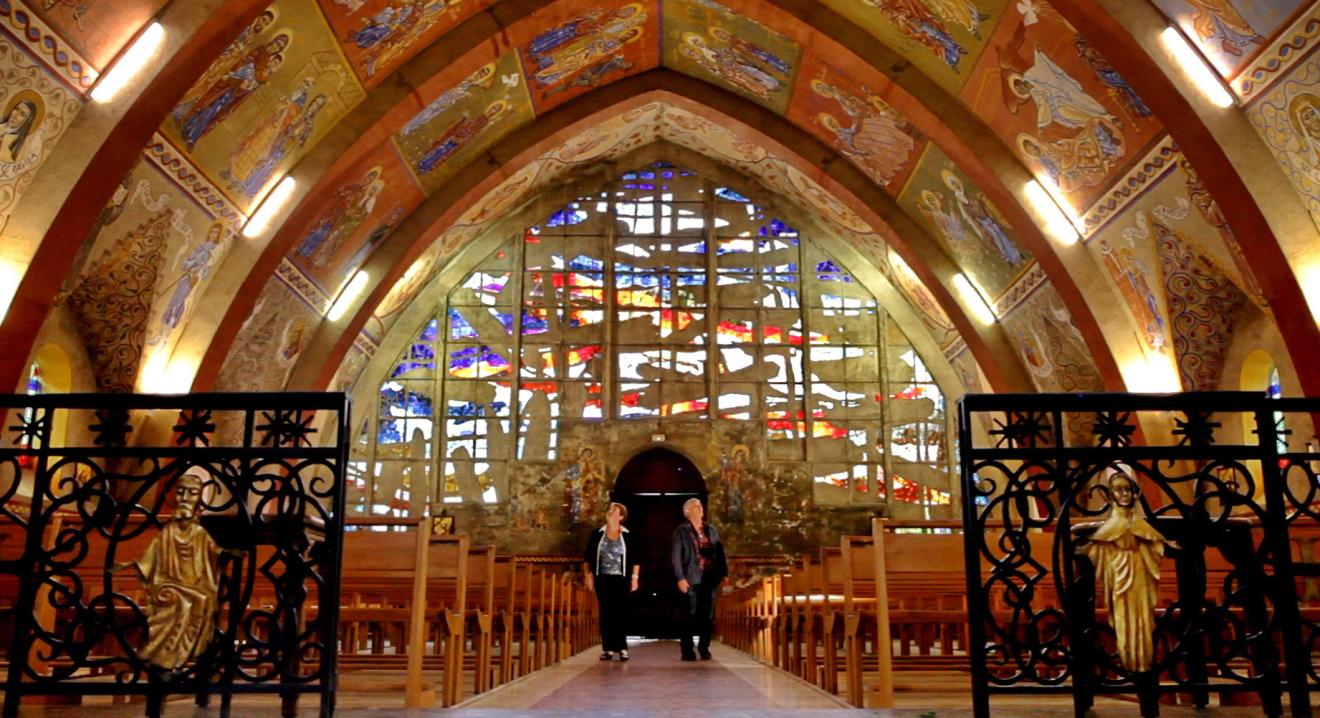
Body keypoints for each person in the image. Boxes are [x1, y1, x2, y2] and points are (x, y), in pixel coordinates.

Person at [1078, 471, 1173, 673]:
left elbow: (1156, 543)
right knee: (1123, 617)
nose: (1124, 494)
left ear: (1135, 492)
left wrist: (1163, 544)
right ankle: (1129, 658)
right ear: (1110, 494)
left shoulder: (1139, 524)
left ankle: (1144, 660)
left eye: (1128, 489)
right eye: (1118, 490)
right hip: (1118, 576)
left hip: (1141, 574)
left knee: (1144, 618)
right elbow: (1095, 549)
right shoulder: (1109, 528)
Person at [671, 497, 727, 661]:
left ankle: (704, 648)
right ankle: (687, 650)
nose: (700, 509)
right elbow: (676, 556)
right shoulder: (681, 531)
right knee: (689, 615)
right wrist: (680, 577)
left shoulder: (711, 530)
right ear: (687, 511)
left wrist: (723, 573)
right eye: (696, 507)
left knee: (707, 616)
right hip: (691, 577)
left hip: (709, 578)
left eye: (701, 506)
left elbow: (720, 552)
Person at [584, 502, 639, 660]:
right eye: (609, 509)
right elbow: (588, 557)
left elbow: (635, 559)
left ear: (621, 516)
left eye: (614, 510)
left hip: (621, 578)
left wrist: (634, 578)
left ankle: (622, 647)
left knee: (620, 612)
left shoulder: (627, 535)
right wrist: (589, 575)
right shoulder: (597, 534)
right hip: (602, 577)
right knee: (606, 612)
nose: (610, 511)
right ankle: (608, 648)